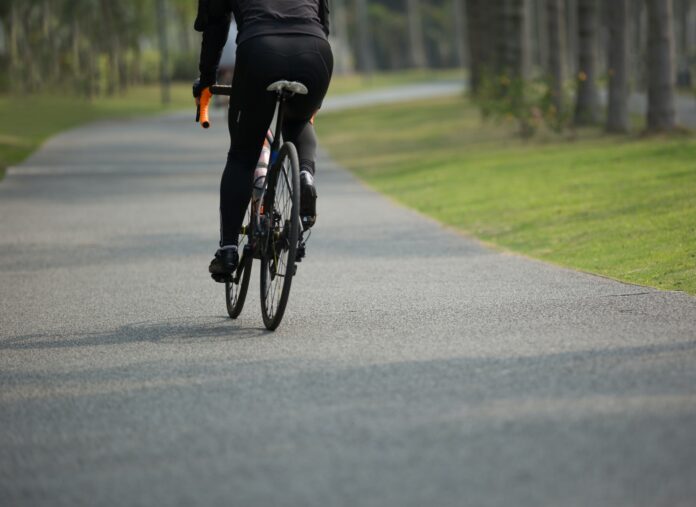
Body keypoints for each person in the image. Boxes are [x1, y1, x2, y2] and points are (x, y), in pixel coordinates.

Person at [193, 0, 333, 280]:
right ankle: (305, 175)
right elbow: (323, 20)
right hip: (315, 51)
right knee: (299, 121)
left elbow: (215, 26)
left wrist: (207, 79)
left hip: (260, 51)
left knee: (243, 154)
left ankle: (229, 250)